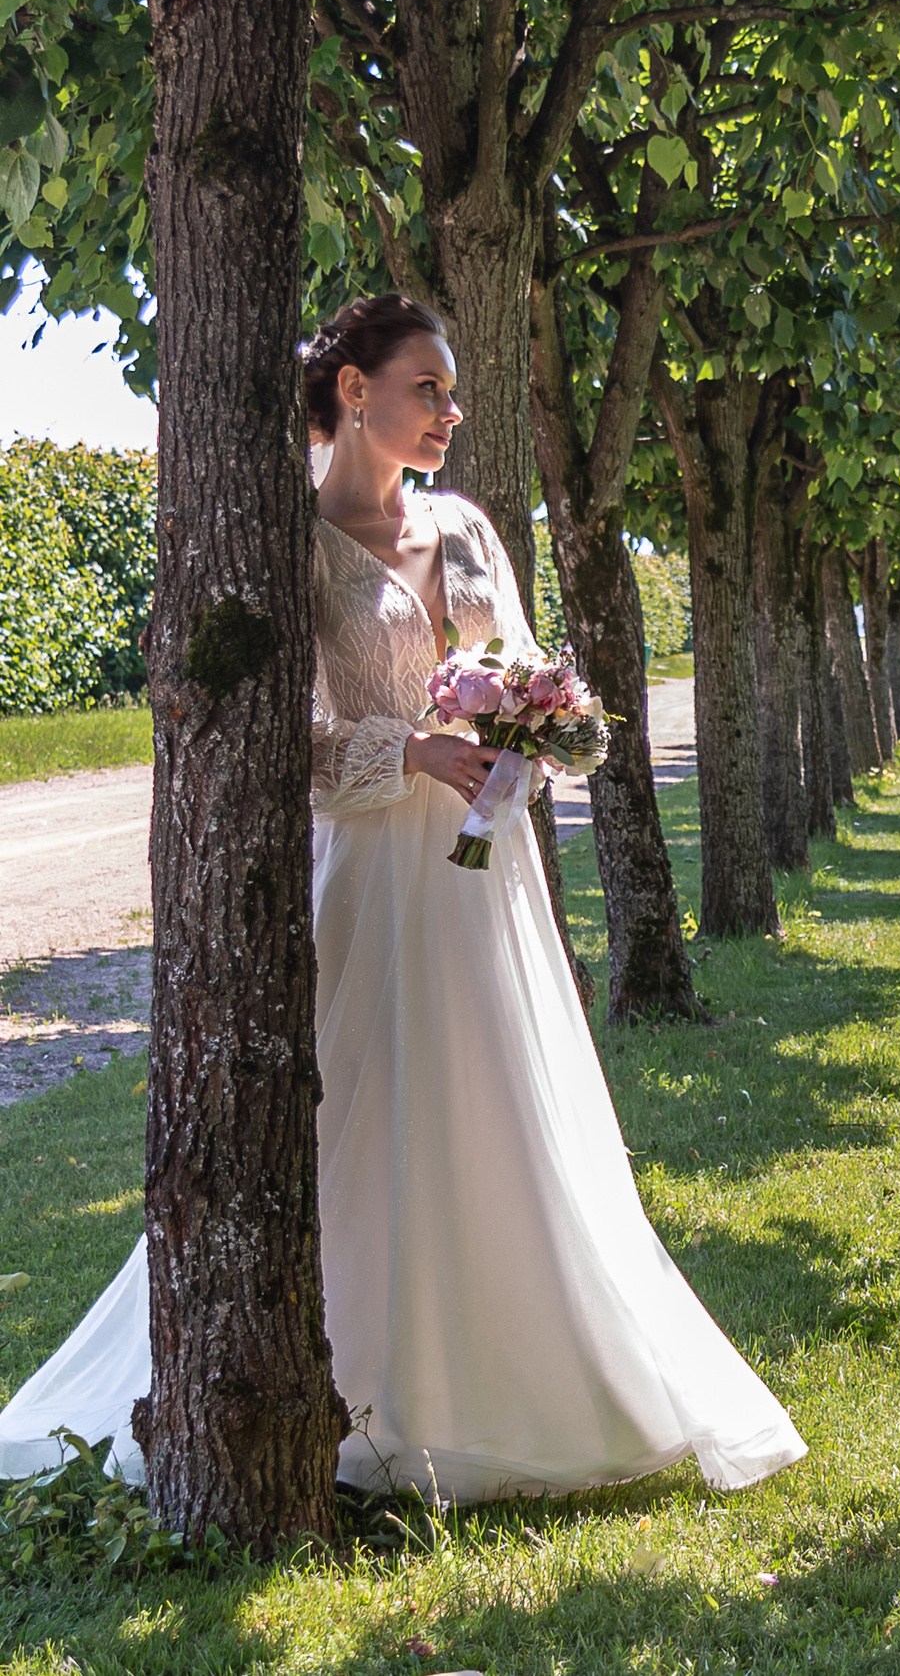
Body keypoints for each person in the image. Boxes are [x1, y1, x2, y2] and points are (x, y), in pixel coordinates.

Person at [0, 296, 806, 1499]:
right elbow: (278, 751)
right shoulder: (287, 543)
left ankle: (531, 1373)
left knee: (497, 1096)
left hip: (485, 875)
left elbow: (534, 673)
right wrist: (415, 753)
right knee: (355, 1111)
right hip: (369, 872)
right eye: (425, 387)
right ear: (351, 392)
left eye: (451, 389)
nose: (449, 410)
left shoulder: (469, 527)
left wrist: (542, 727)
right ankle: (357, 1383)